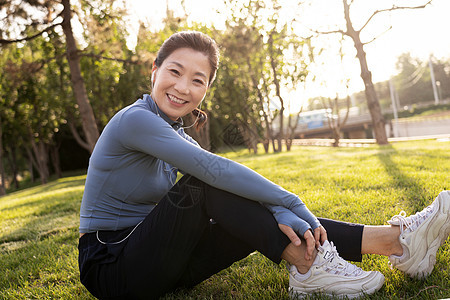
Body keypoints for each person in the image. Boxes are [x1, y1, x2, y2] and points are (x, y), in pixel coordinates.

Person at [78, 31, 450, 299]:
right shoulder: (134, 120)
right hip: (114, 267)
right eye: (174, 72)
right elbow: (211, 171)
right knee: (206, 182)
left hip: (164, 263)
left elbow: (224, 180)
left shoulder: (173, 132)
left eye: (197, 80)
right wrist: (289, 200)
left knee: (227, 191)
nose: (183, 87)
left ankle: (395, 242)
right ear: (154, 71)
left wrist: (274, 204)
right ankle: (309, 267)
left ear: (206, 89)